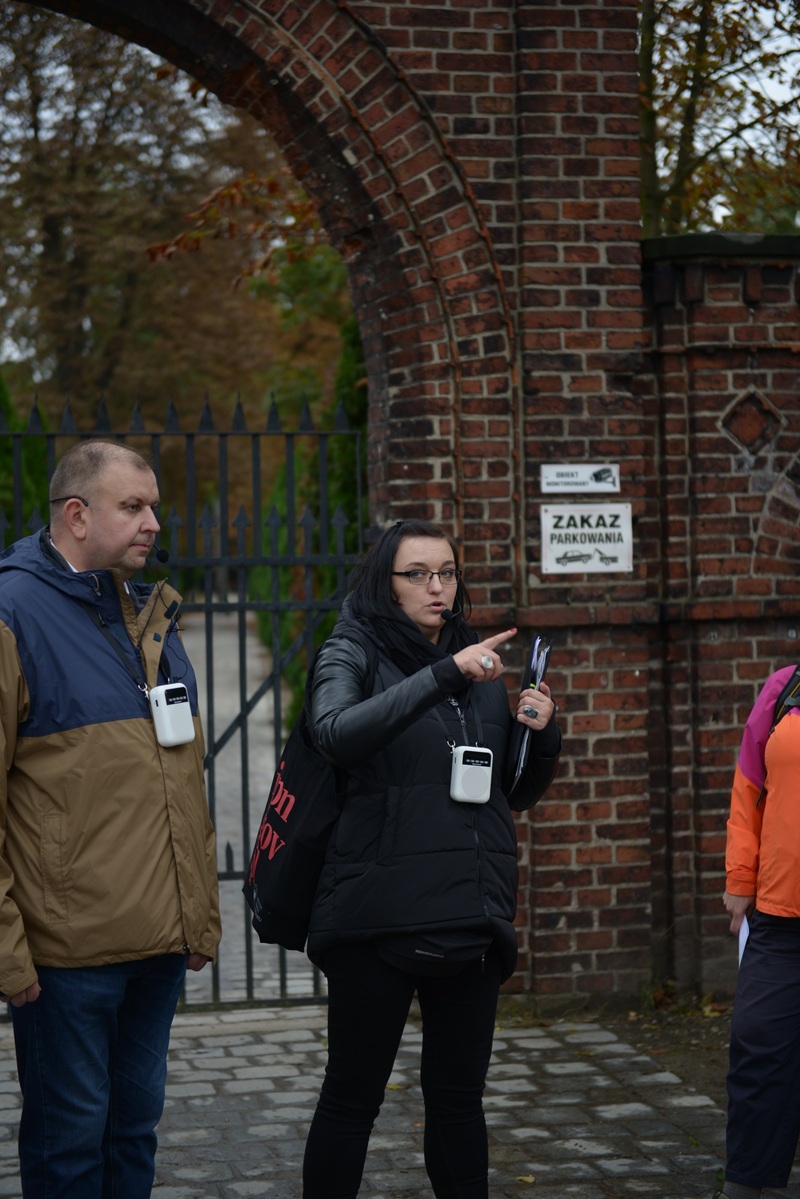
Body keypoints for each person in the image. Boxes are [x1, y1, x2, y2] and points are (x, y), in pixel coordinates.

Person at [301, 518, 561, 1199]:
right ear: (383, 582)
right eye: (417, 574)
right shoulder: (350, 650)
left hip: (468, 912)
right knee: (353, 1098)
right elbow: (334, 733)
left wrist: (542, 731)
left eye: (447, 572)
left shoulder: (479, 668)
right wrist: (444, 673)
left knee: (458, 1100)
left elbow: (510, 791)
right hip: (375, 919)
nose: (437, 587)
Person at [0, 440, 220, 1198]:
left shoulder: (145, 614)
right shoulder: (11, 614)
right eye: (133, 506)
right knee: (68, 1147)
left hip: (157, 948)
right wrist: (7, 949)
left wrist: (197, 916)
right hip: (67, 959)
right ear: (75, 513)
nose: (153, 521)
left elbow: (180, 778)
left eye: (153, 505)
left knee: (133, 1134)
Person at [714, 664, 800, 1199]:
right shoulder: (786, 687)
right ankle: (746, 1186)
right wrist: (741, 877)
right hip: (779, 915)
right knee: (757, 1049)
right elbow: (748, 791)